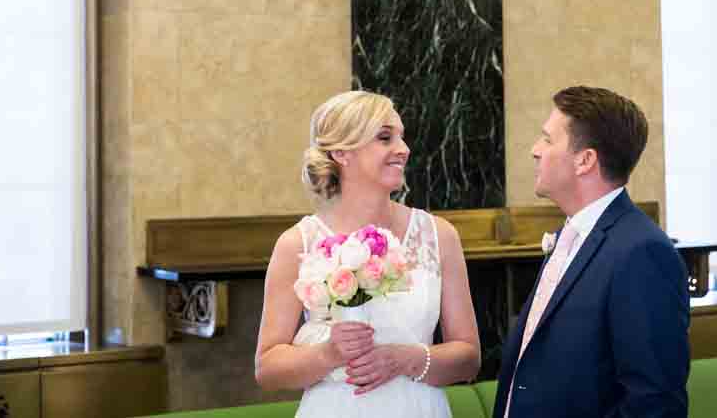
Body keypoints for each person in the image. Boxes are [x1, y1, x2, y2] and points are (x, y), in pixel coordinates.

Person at [255, 90, 481, 418]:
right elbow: (267, 368)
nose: (403, 150)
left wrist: (406, 359)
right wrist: (329, 354)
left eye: (402, 138)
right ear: (342, 152)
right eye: (385, 138)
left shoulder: (438, 236)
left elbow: (469, 358)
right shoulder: (297, 244)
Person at [493, 86, 690, 418]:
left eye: (547, 139)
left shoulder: (642, 252)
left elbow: (654, 403)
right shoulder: (568, 236)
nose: (534, 150)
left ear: (585, 160)